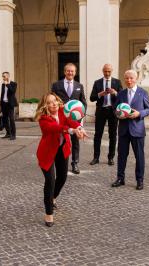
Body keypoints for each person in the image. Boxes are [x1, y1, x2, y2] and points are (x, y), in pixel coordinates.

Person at [35, 93, 88, 227]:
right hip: (47, 152)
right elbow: (55, 128)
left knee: (62, 177)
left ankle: (52, 198)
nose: (53, 104)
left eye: (55, 101)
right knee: (50, 181)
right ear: (45, 105)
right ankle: (49, 213)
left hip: (61, 149)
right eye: (49, 102)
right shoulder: (43, 119)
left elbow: (71, 121)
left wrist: (79, 127)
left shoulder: (62, 112)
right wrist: (70, 130)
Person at [111, 70, 149, 190]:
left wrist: (139, 113)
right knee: (121, 156)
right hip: (124, 129)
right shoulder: (121, 94)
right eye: (127, 78)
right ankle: (120, 178)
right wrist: (119, 114)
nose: (129, 80)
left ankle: (140, 180)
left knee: (139, 156)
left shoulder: (143, 93)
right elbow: (115, 109)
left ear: (136, 79)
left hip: (137, 129)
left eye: (131, 78)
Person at [51, 63, 87, 174]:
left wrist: (81, 115)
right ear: (64, 72)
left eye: (72, 71)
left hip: (75, 119)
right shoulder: (56, 85)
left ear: (75, 73)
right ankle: (59, 161)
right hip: (61, 118)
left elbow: (83, 102)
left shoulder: (79, 86)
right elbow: (52, 100)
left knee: (76, 141)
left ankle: (75, 163)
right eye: (68, 71)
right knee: (60, 140)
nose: (70, 73)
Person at [89, 64, 123, 166]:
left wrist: (115, 93)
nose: (107, 73)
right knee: (97, 135)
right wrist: (100, 94)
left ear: (111, 71)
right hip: (101, 111)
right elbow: (92, 98)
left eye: (109, 71)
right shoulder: (97, 82)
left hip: (112, 112)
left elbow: (122, 97)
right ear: (102, 71)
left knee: (113, 135)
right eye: (105, 71)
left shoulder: (117, 82)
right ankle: (96, 158)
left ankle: (111, 158)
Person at [0, 72, 17, 140]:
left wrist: (8, 84)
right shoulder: (3, 85)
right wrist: (1, 106)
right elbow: (2, 95)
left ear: (8, 76)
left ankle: (13, 134)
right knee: (4, 119)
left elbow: (13, 91)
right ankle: (8, 133)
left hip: (10, 104)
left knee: (11, 119)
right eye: (2, 76)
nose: (3, 77)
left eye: (4, 76)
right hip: (4, 104)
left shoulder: (13, 83)